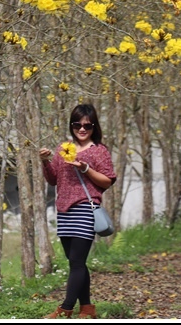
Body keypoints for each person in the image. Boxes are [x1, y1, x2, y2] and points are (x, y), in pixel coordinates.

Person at [39, 103, 117, 319]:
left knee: (76, 262)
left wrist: (84, 168)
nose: (82, 129)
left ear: (94, 126)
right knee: (77, 263)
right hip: (64, 211)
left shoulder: (99, 151)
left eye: (87, 125)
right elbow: (54, 179)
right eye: (77, 124)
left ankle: (65, 308)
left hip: (85, 207)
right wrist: (45, 161)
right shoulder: (63, 148)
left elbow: (108, 181)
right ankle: (87, 308)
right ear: (71, 125)